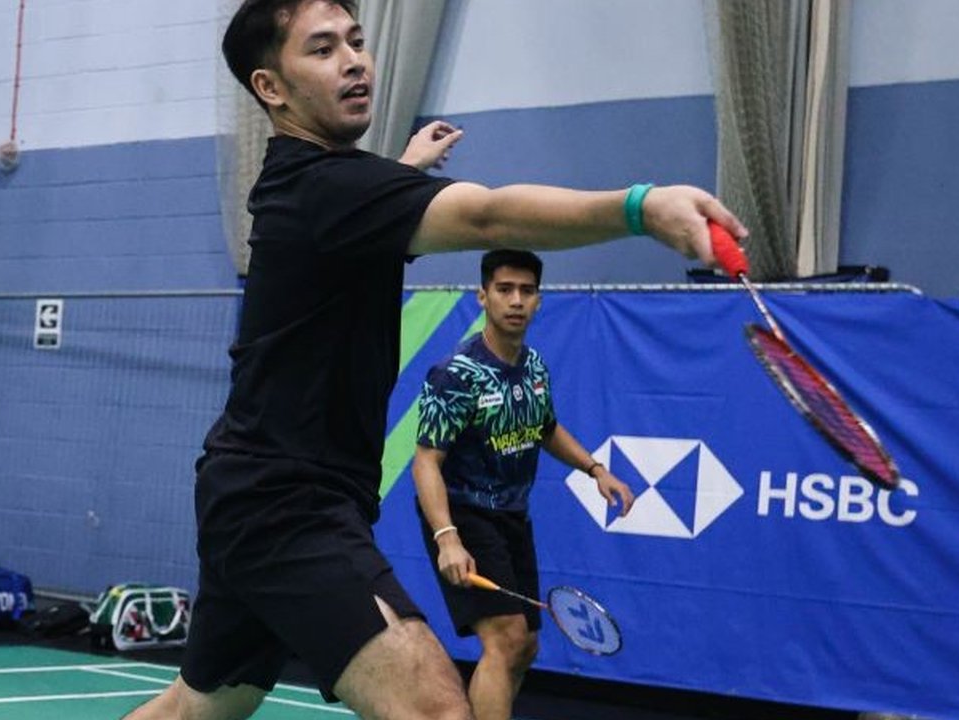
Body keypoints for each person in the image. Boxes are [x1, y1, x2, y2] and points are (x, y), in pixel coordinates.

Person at [125, 0, 747, 718]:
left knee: (193, 712)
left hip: (254, 489)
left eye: (357, 41)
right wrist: (641, 207)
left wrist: (403, 170)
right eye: (322, 49)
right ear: (271, 88)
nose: (355, 59)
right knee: (435, 708)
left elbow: (362, 211)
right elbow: (487, 215)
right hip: (285, 505)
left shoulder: (317, 185)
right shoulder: (329, 190)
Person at [413, 249, 635, 720]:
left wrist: (596, 469)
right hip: (464, 513)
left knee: (525, 645)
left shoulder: (533, 366)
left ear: (538, 300)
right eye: (504, 289)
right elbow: (426, 462)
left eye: (526, 291)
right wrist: (446, 537)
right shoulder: (456, 374)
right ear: (483, 297)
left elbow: (546, 428)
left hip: (512, 514)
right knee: (506, 637)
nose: (516, 300)